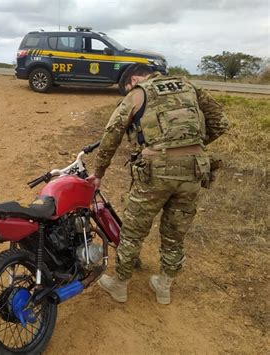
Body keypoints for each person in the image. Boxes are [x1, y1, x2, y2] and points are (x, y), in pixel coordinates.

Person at [87, 64, 229, 304]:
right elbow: (220, 121)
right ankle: (164, 287)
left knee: (132, 231)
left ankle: (119, 285)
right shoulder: (189, 86)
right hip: (193, 170)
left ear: (133, 79)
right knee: (175, 233)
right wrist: (192, 145)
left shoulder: (137, 93)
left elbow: (112, 135)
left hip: (155, 172)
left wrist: (99, 172)